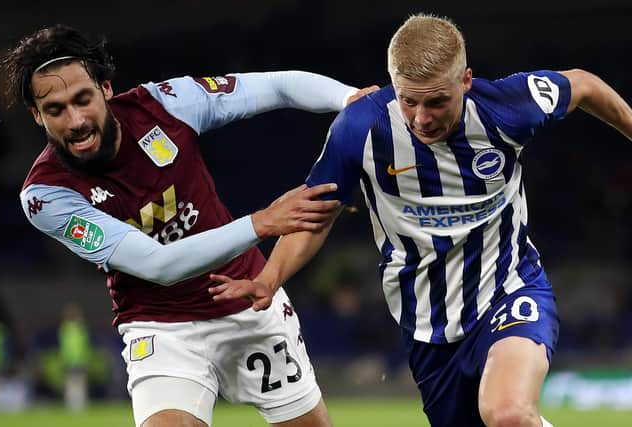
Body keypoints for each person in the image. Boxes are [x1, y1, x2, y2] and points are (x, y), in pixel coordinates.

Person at [208, 13, 632, 427]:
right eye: (408, 100)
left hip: (511, 290)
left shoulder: (508, 107)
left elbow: (584, 84)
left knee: (507, 414)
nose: (421, 118)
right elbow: (317, 216)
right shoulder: (360, 128)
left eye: (436, 101)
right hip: (427, 327)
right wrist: (269, 279)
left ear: (465, 80)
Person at [1, 24, 377, 427]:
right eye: (56, 109)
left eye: (83, 99)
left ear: (106, 89)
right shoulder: (46, 195)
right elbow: (158, 265)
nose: (75, 120)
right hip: (161, 327)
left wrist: (348, 100)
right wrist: (262, 222)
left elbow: (279, 86)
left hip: (248, 302)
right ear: (37, 115)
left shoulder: (166, 104)